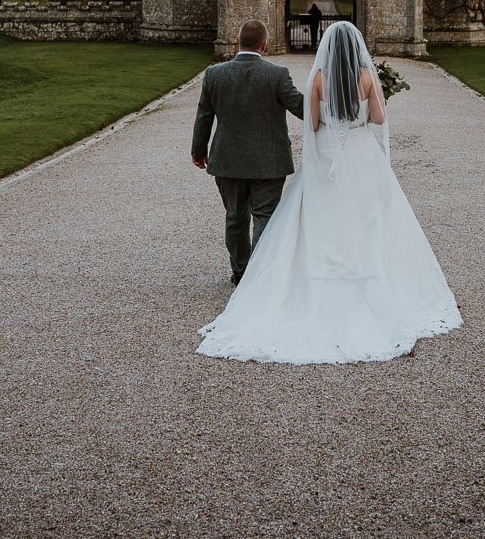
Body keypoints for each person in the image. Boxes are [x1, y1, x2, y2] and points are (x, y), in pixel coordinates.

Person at [197, 20, 461, 364]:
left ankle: (251, 274)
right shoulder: (366, 77)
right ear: (356, 49)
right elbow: (378, 120)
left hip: (300, 158)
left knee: (270, 214)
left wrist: (328, 114)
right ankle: (357, 269)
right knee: (361, 214)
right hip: (358, 155)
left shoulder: (314, 78)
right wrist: (373, 99)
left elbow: (314, 123)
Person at [191, 20, 305, 285]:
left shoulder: (214, 74)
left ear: (236, 41)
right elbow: (303, 109)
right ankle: (260, 274)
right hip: (270, 161)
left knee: (235, 217)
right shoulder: (277, 75)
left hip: (227, 159)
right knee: (265, 216)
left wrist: (199, 150)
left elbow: (203, 116)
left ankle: (241, 272)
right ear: (264, 45)